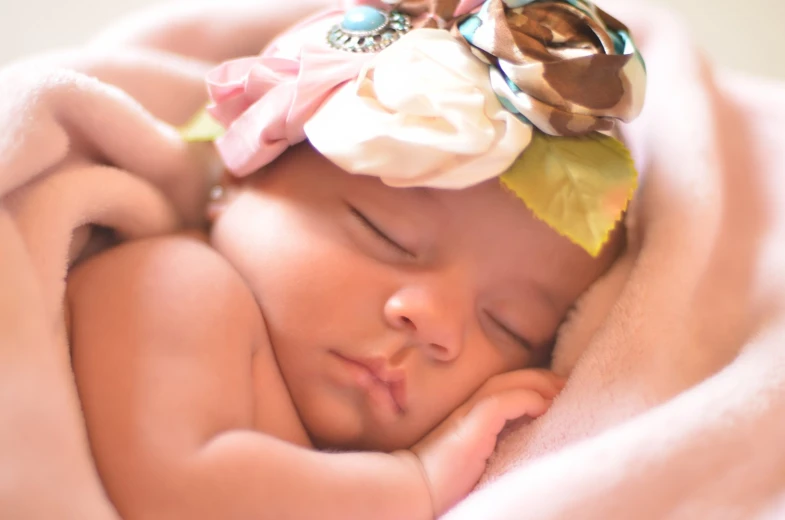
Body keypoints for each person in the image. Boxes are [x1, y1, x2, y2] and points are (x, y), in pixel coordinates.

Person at [66, 1, 646, 519]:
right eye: (385, 234)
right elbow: (177, 492)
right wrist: (414, 483)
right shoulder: (175, 280)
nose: (435, 323)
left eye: (510, 325)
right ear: (236, 181)